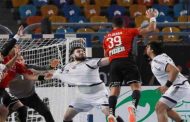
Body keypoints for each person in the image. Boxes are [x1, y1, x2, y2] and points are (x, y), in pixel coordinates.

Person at [41, 46, 124, 122]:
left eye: (83, 51)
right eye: (78, 51)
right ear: (72, 55)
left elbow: (106, 60)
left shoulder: (90, 62)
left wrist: (119, 55)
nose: (82, 52)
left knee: (109, 114)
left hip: (99, 95)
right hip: (82, 97)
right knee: (67, 117)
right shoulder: (67, 67)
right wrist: (40, 74)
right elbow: (55, 73)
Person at [102, 8, 158, 122]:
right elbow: (151, 28)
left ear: (112, 25)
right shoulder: (129, 31)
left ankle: (111, 114)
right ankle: (133, 107)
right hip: (127, 61)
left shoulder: (106, 37)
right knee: (136, 87)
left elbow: (106, 55)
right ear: (124, 24)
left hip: (114, 63)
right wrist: (152, 17)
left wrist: (116, 50)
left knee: (114, 91)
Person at [145, 41, 189, 122]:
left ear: (152, 50)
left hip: (179, 86)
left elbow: (174, 70)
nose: (146, 48)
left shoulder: (157, 60)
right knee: (166, 109)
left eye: (147, 47)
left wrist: (166, 86)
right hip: (179, 85)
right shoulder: (160, 58)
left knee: (160, 108)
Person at [8, 55, 59, 122]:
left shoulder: (30, 67)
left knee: (46, 112)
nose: (20, 61)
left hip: (31, 97)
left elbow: (44, 70)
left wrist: (51, 68)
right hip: (15, 98)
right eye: (18, 60)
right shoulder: (9, 70)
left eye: (22, 59)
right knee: (7, 114)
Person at [0, 25, 28, 122]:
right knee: (3, 111)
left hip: (1, 90)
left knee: (21, 109)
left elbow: (7, 66)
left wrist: (17, 35)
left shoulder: (2, 65)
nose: (2, 54)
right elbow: (7, 48)